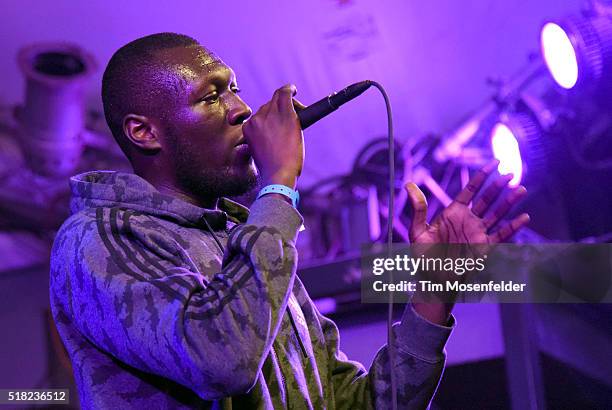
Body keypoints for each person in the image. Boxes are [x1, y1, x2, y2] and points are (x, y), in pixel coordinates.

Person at [50, 33, 529, 409]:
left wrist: (432, 294)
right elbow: (220, 360)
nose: (241, 109)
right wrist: (279, 182)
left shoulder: (248, 239)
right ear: (144, 132)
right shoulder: (99, 236)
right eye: (211, 96)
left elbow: (357, 405)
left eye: (234, 89)